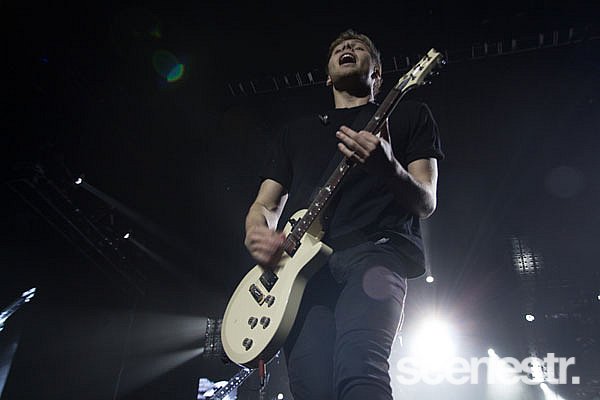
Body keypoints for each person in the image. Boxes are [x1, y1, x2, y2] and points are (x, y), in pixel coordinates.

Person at [243, 30, 444, 400]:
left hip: (375, 255)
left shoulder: (410, 115)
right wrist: (258, 232)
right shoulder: (296, 132)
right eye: (339, 48)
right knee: (310, 386)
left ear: (377, 74)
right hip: (301, 274)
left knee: (360, 370)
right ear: (327, 76)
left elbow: (426, 201)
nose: (347, 48)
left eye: (359, 47)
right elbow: (265, 205)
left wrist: (388, 167)